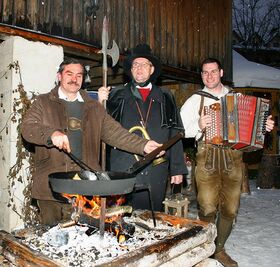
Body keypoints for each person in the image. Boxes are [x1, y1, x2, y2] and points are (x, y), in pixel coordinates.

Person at [21, 58, 163, 226]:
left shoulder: (94, 107)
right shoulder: (43, 102)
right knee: (50, 238)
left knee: (83, 237)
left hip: (86, 188)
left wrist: (144, 145)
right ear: (59, 76)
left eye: (79, 75)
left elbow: (116, 133)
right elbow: (27, 128)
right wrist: (51, 134)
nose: (74, 79)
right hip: (51, 187)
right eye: (69, 74)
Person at [180, 58, 274, 267]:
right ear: (201, 75)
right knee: (207, 206)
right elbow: (180, 129)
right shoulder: (196, 99)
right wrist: (198, 123)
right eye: (205, 72)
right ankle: (205, 247)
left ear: (221, 72)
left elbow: (254, 124)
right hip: (207, 157)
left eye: (213, 71)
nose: (209, 75)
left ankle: (218, 249)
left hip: (233, 158)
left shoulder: (237, 97)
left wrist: (264, 126)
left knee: (230, 209)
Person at [98, 44, 187, 211]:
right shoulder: (116, 94)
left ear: (152, 70)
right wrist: (100, 104)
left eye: (144, 65)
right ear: (131, 70)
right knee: (121, 218)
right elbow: (103, 127)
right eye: (135, 65)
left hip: (156, 168)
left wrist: (177, 169)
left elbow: (175, 134)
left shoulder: (166, 96)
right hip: (123, 168)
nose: (139, 69)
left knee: (152, 217)